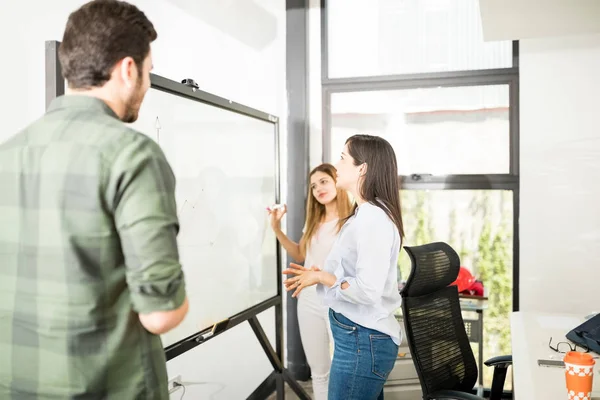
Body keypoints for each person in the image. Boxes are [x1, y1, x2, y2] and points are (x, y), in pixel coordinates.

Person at [0, 1, 188, 399]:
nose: (148, 85)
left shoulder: (7, 154)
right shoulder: (132, 154)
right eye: (149, 72)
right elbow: (161, 313)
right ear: (127, 69)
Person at [283, 134, 404, 400]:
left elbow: (368, 291)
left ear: (362, 168)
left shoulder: (372, 217)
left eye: (342, 158)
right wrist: (318, 275)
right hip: (360, 337)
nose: (336, 166)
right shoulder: (368, 213)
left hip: (363, 340)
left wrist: (325, 277)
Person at [268, 163, 352, 400]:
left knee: (343, 369)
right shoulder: (315, 220)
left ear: (337, 181)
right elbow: (301, 255)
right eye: (314, 186)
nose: (318, 189)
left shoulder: (352, 220)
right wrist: (276, 228)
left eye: (324, 181)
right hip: (308, 298)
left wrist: (322, 272)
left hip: (336, 298)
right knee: (319, 371)